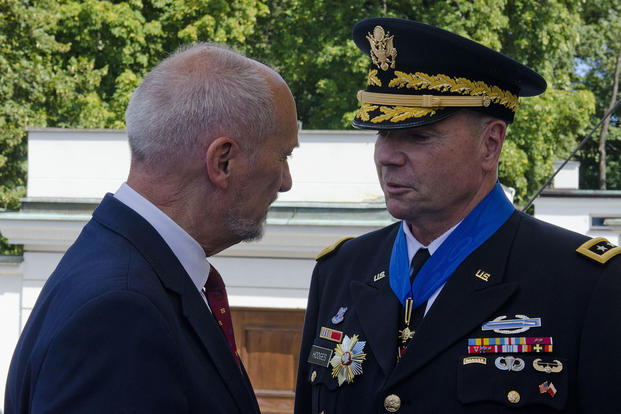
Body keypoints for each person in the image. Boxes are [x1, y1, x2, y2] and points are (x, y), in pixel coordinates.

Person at [295, 17, 621, 413]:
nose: (387, 156)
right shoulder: (341, 270)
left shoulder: (586, 283)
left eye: (418, 136)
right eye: (381, 133)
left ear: (490, 144)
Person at [5, 43, 298, 413]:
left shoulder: (118, 269)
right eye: (283, 156)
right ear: (223, 161)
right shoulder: (121, 309)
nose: (286, 181)